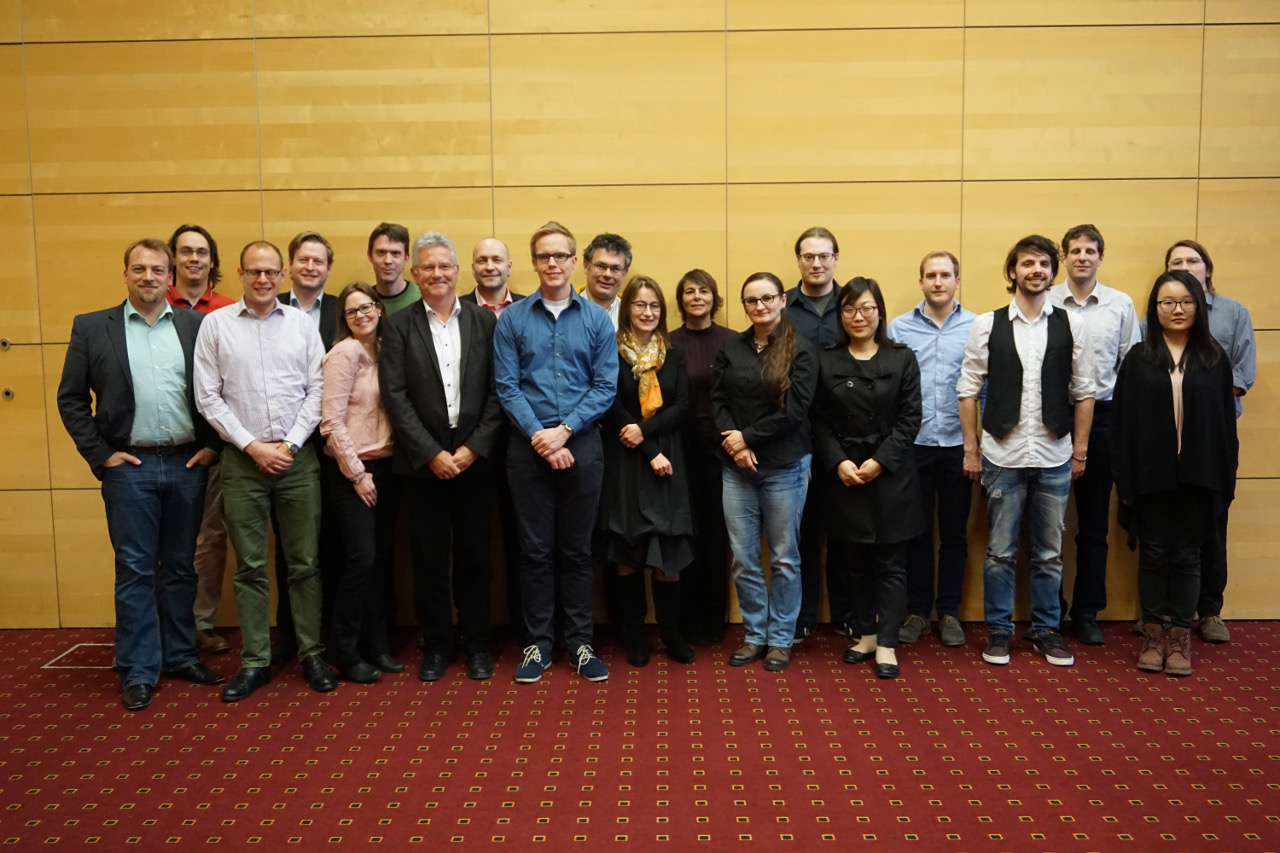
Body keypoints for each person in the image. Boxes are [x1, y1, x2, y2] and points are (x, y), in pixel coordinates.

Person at [57, 239, 224, 710]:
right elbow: (71, 398)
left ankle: (181, 656)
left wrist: (212, 448)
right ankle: (138, 669)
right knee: (134, 570)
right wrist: (100, 454)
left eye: (157, 269)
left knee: (181, 567)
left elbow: (221, 389)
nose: (148, 276)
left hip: (188, 463)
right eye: (139, 269)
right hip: (129, 467)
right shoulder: (93, 327)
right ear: (125, 274)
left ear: (170, 277)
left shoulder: (197, 326)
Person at [193, 240, 334, 701]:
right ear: (240, 273)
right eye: (254, 271)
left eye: (271, 272)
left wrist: (289, 444)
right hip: (242, 461)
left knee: (305, 564)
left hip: (297, 460)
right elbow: (207, 396)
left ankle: (312, 653)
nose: (263, 279)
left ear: (282, 275)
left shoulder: (301, 325)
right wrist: (253, 447)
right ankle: (254, 661)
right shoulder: (216, 325)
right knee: (250, 567)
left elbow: (318, 389)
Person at [957, 235, 1096, 668]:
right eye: (1027, 263)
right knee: (999, 552)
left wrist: (1080, 453)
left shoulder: (1072, 324)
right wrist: (971, 449)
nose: (1036, 270)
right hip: (1003, 455)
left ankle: (1047, 630)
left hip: (1055, 455)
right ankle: (999, 631)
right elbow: (967, 390)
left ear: (1053, 272)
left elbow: (1085, 391)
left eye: (1043, 264)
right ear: (1012, 271)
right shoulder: (987, 324)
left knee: (1049, 554)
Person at [494, 221, 618, 684]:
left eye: (560, 255)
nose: (552, 263)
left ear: (573, 262)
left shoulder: (596, 320)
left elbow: (605, 386)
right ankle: (538, 644)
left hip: (582, 444)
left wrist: (563, 432)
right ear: (533, 262)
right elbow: (507, 387)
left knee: (578, 550)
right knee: (535, 552)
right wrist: (541, 437)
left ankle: (581, 644)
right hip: (527, 449)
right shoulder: (512, 320)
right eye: (543, 256)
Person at [381, 232, 504, 682]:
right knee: (429, 560)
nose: (437, 274)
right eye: (428, 267)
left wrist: (472, 449)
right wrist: (431, 453)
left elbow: (499, 391)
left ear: (458, 271)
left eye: (445, 266)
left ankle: (477, 643)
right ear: (415, 274)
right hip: (422, 464)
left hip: (475, 460)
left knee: (476, 558)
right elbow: (395, 397)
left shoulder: (485, 322)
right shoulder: (398, 326)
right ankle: (437, 645)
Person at [1112, 270, 1238, 675]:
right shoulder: (1139, 358)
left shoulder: (1214, 358)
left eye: (1185, 302)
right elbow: (1122, 425)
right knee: (1152, 555)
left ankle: (1180, 639)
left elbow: (1225, 426)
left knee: (1187, 556)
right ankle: (1153, 637)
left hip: (1198, 477)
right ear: (1155, 308)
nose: (1177, 309)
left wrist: (1225, 479)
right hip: (1150, 476)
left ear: (1198, 306)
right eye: (1167, 302)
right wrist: (1125, 480)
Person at [814, 278, 924, 679]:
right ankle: (866, 635)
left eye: (866, 308)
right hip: (845, 473)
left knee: (891, 563)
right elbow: (818, 421)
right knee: (854, 560)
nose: (858, 317)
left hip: (891, 473)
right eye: (849, 309)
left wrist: (880, 461)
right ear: (840, 315)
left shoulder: (902, 358)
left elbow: (911, 417)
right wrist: (837, 462)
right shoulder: (826, 360)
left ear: (879, 312)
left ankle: (888, 643)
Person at [712, 272, 818, 673]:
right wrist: (736, 445)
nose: (760, 306)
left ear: (782, 300)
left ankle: (781, 639)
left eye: (767, 298)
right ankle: (755, 635)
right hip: (737, 469)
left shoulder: (801, 348)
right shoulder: (731, 347)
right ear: (744, 306)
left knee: (785, 559)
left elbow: (795, 412)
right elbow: (717, 401)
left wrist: (747, 439)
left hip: (785, 466)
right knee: (743, 559)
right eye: (752, 300)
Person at [1157, 240, 1255, 644]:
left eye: (1193, 260)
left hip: (1214, 437)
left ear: (1207, 269)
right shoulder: (1157, 316)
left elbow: (1242, 375)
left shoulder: (1233, 313)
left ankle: (1210, 610)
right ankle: (1164, 611)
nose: (1186, 266)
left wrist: (1201, 398)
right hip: (1166, 438)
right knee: (1164, 527)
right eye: (1176, 261)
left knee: (1211, 524)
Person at [1048, 224, 1140, 646]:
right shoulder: (1045, 300)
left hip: (1104, 418)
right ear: (1064, 258)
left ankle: (1086, 612)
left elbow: (1130, 369)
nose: (1082, 257)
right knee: (1047, 525)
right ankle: (1049, 611)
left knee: (1093, 526)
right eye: (1075, 251)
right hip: (1050, 418)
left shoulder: (1120, 304)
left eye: (1090, 251)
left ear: (1101, 257)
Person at [598, 276, 696, 666]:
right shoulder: (610, 350)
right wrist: (645, 445)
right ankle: (634, 635)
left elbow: (682, 406)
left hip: (666, 460)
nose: (648, 312)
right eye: (640, 304)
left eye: (654, 305)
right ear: (627, 309)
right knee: (627, 553)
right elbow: (609, 402)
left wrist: (647, 435)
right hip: (625, 458)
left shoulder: (674, 353)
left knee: (668, 553)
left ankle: (671, 632)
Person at [887, 251, 976, 649]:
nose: (938, 282)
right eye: (931, 275)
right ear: (920, 281)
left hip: (959, 445)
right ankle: (919, 610)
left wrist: (977, 445)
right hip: (914, 445)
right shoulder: (899, 328)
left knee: (955, 534)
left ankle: (950, 611)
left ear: (957, 281)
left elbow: (984, 388)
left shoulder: (977, 326)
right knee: (916, 533)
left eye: (945, 275)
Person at [318, 282, 401, 684]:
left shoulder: (386, 350)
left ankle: (376, 645)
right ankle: (344, 650)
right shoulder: (344, 353)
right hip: (351, 472)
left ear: (379, 308)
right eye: (352, 311)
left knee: (379, 560)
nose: (361, 315)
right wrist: (357, 474)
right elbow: (331, 423)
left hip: (386, 467)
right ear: (344, 319)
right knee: (360, 560)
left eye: (366, 307)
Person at [272, 231, 341, 663]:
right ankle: (291, 636)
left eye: (319, 261)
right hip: (286, 449)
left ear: (329, 268)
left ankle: (327, 633)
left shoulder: (341, 309)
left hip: (333, 445)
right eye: (303, 260)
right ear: (289, 267)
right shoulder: (269, 306)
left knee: (331, 544)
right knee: (289, 548)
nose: (311, 267)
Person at [166, 224, 234, 656]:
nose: (194, 259)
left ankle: (201, 623)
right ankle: (158, 627)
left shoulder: (229, 311)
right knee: (161, 544)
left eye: (202, 252)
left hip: (215, 445)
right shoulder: (153, 304)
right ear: (173, 259)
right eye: (186, 251)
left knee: (210, 539)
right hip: (163, 445)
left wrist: (215, 442)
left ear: (212, 261)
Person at [461, 237, 525, 634]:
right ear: (472, 267)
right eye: (482, 259)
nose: (489, 266)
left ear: (510, 266)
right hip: (473, 445)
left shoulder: (530, 308)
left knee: (524, 539)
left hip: (525, 440)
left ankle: (525, 626)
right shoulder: (455, 311)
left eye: (496, 259)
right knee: (475, 543)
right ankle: (478, 633)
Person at [668, 269, 735, 645]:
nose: (697, 297)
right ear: (681, 300)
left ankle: (714, 619)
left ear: (714, 298)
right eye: (689, 291)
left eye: (704, 291)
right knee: (683, 535)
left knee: (715, 535)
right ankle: (684, 620)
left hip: (721, 451)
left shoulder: (732, 341)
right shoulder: (668, 342)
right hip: (677, 451)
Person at [784, 227, 844, 642]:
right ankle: (803, 614)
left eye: (824, 256)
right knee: (801, 532)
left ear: (836, 259)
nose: (817, 263)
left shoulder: (854, 303)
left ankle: (845, 612)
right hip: (797, 433)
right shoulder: (782, 306)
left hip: (846, 435)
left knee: (843, 530)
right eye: (809, 256)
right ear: (799, 260)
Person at [367, 221, 421, 315]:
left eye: (395, 253)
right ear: (370, 256)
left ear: (406, 258)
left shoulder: (423, 299)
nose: (388, 260)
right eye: (381, 252)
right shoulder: (362, 304)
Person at [580, 233, 632, 328]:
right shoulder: (564, 309)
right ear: (586, 266)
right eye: (601, 266)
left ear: (624, 273)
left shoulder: (632, 317)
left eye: (615, 269)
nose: (607, 274)